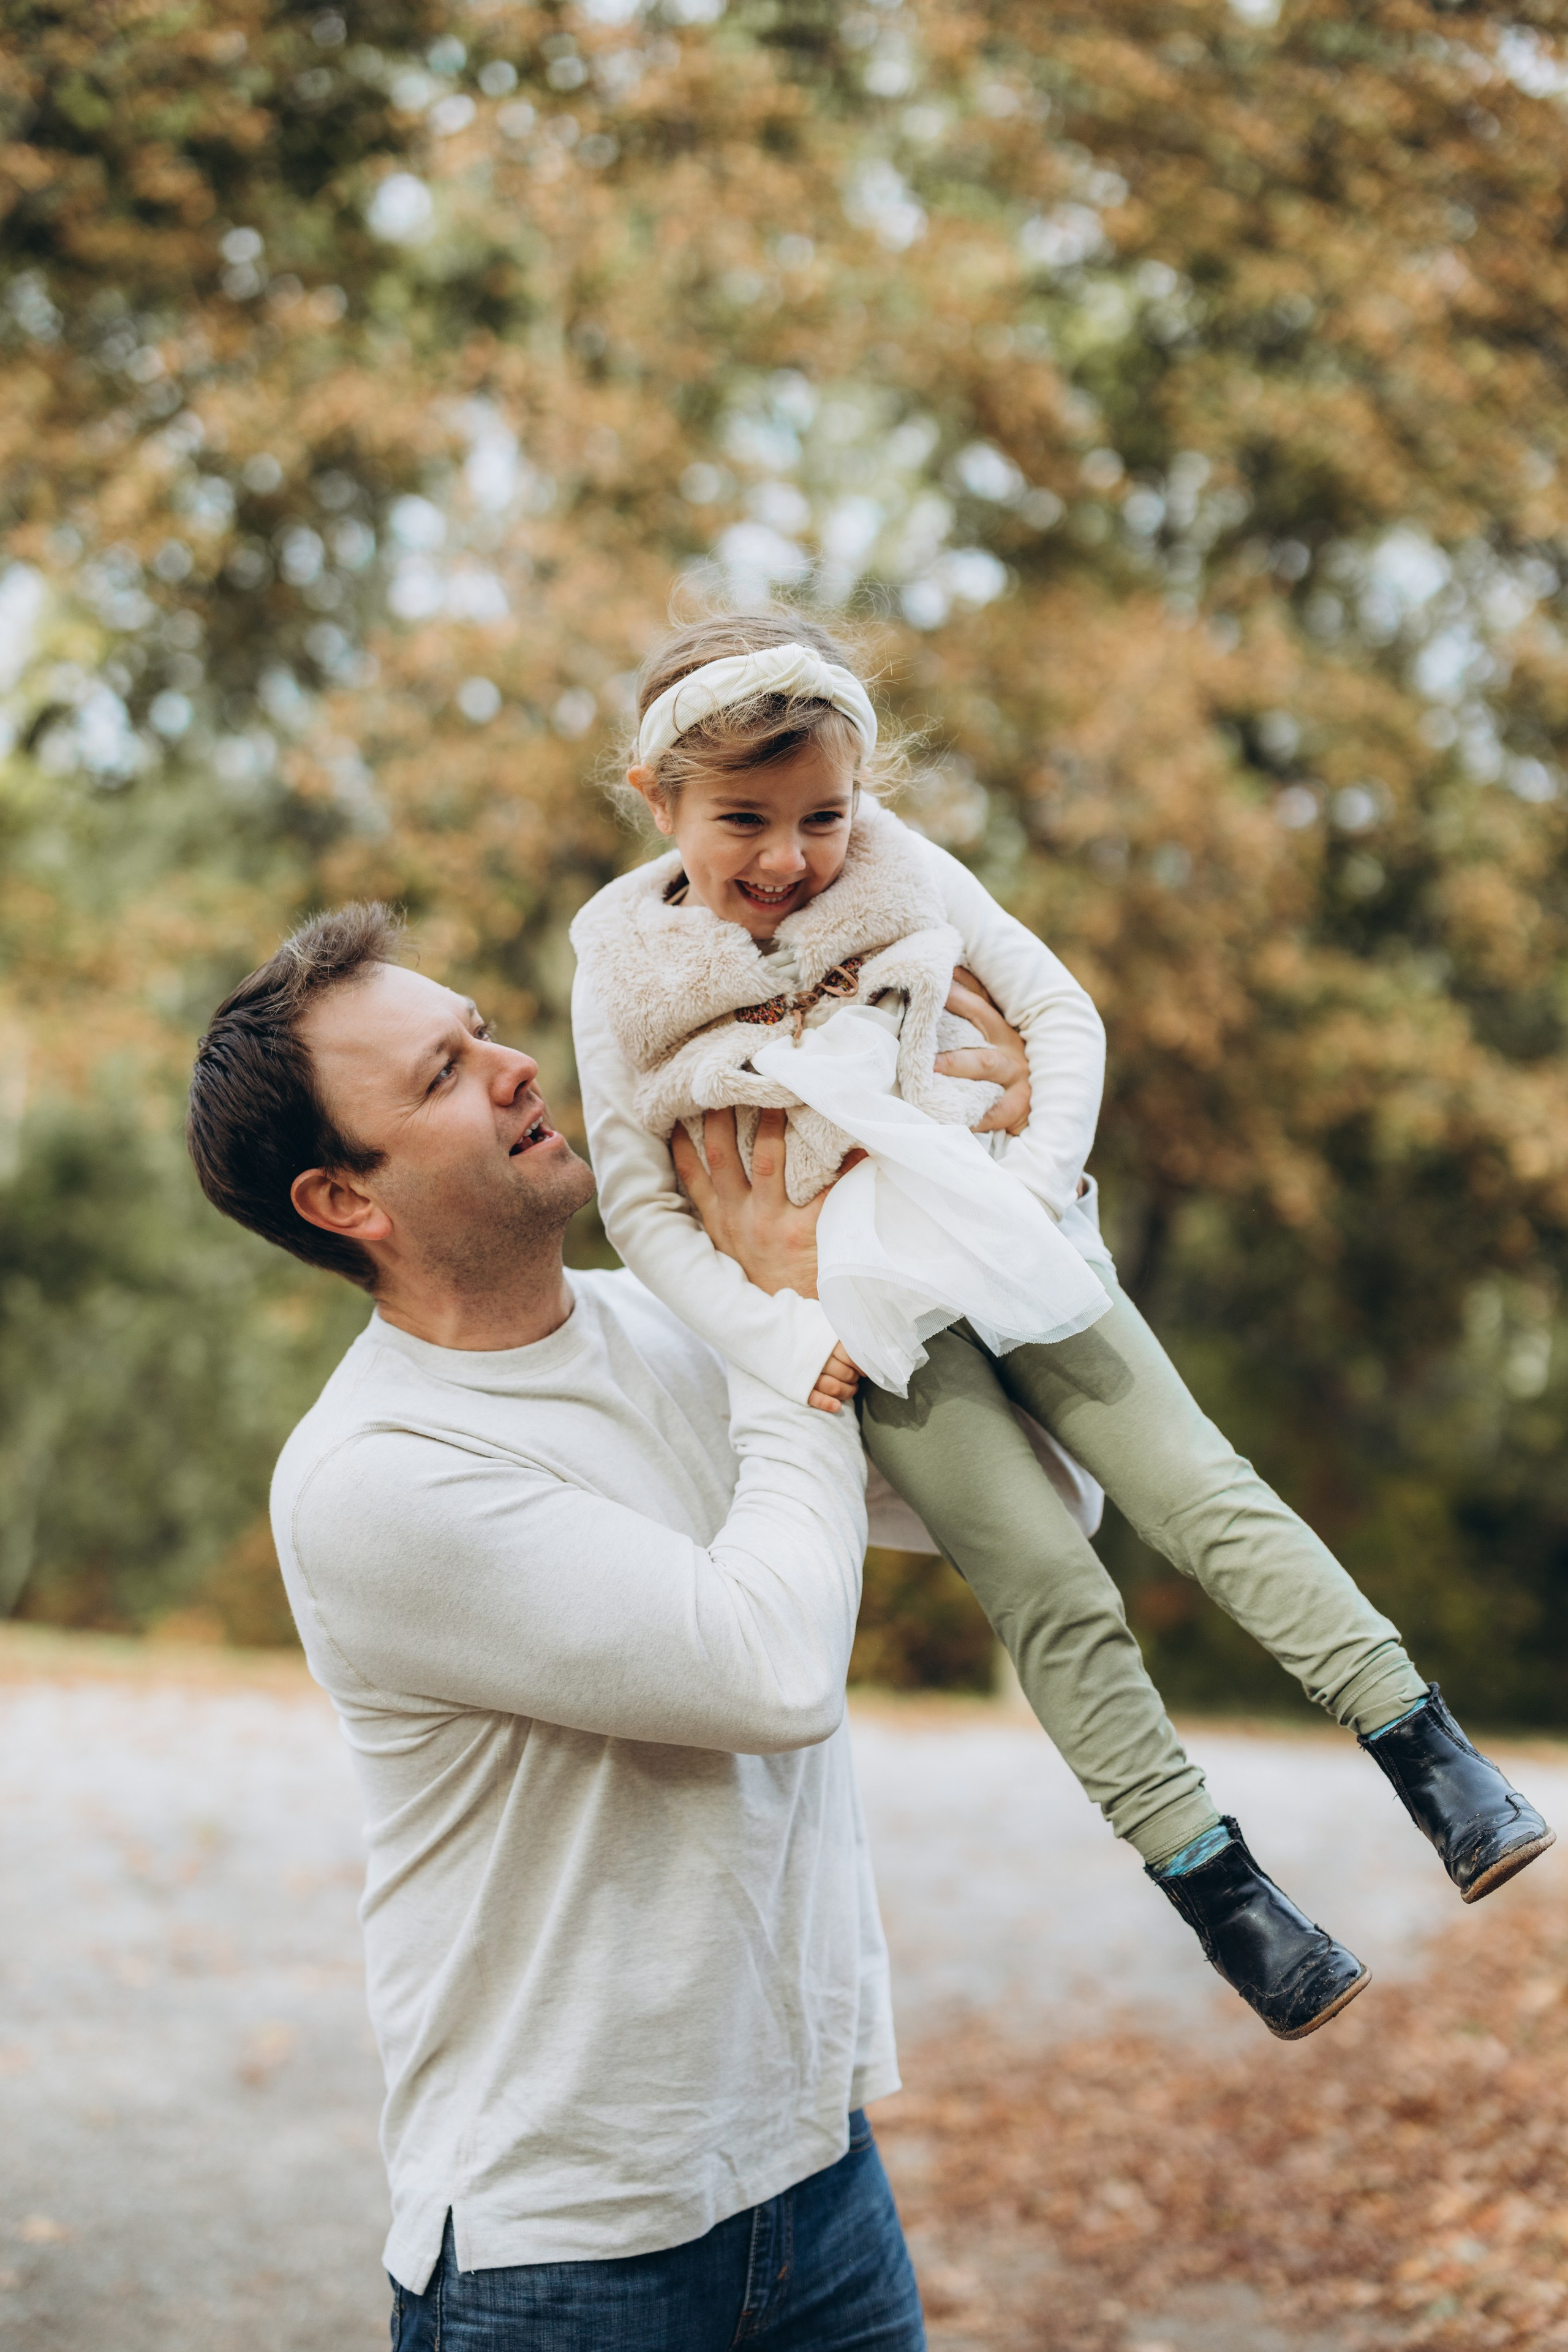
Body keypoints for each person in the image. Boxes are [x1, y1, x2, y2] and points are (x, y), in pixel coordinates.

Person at [570, 606, 1556, 2045]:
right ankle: (1225, 1899)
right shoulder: (620, 960)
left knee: (1198, 1491)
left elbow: (1058, 1013)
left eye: (821, 815)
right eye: (743, 821)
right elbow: (637, 1202)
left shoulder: (903, 867)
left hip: (1006, 1235)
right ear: (657, 803)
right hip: (857, 1312)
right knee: (1046, 1586)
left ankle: (1430, 1756)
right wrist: (779, 1345)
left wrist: (1029, 1190)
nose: (789, 859)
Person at [186, 904, 949, 2351]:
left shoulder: (673, 1326)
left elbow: (1046, 1498)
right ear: (345, 1202)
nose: (515, 1063)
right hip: (564, 2262)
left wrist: (1008, 1178)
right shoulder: (376, 1478)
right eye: (439, 1076)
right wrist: (782, 1316)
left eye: (479, 1029)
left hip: (813, 2177)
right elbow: (770, 1669)